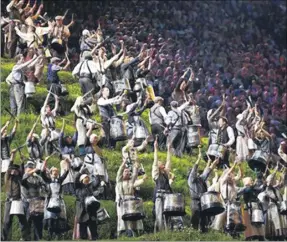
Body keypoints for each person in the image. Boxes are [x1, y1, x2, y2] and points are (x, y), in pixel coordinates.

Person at [116, 149, 147, 237]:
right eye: (126, 172)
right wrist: (123, 163)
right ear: (123, 173)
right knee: (122, 217)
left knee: (133, 216)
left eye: (128, 172)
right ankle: (123, 233)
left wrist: (136, 160)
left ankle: (135, 232)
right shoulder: (119, 181)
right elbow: (118, 173)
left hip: (131, 200)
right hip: (122, 200)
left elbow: (135, 172)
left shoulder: (131, 182)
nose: (128, 173)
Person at [1, 149, 30, 241]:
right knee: (6, 222)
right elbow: (9, 166)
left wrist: (22, 159)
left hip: (18, 201)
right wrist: (12, 155)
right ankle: (4, 239)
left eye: (15, 169)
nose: (14, 171)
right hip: (9, 201)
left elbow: (22, 169)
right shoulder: (8, 177)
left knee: (23, 221)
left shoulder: (19, 177)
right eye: (12, 169)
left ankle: (25, 238)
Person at [188, 152, 219, 233]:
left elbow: (207, 171)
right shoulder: (191, 179)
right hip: (195, 201)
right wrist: (198, 158)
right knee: (195, 216)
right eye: (196, 172)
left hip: (202, 201)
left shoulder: (200, 179)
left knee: (204, 219)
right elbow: (194, 168)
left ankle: (203, 234)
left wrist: (214, 163)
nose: (197, 172)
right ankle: (193, 232)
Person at [41, 157, 70, 240]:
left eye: (57, 171)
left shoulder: (59, 180)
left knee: (58, 219)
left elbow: (66, 172)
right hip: (50, 201)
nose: (56, 172)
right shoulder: (48, 180)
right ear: (51, 172)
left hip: (58, 201)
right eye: (54, 171)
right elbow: (42, 172)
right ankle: (50, 236)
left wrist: (67, 163)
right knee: (50, 219)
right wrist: (45, 161)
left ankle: (57, 236)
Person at [74, 166, 102, 240]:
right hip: (82, 210)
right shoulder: (78, 187)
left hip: (91, 211)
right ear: (81, 180)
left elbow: (97, 182)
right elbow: (76, 180)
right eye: (85, 178)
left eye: (88, 178)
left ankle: (94, 239)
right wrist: (80, 171)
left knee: (93, 229)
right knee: (83, 231)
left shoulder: (91, 186)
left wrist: (96, 173)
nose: (87, 179)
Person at [21, 163, 47, 241]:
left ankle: (38, 238)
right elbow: (24, 178)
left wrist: (43, 187)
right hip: (27, 201)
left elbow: (44, 185)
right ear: (25, 169)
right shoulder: (24, 176)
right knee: (27, 221)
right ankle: (26, 238)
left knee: (38, 222)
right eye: (29, 168)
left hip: (37, 201)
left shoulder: (38, 177)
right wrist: (34, 170)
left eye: (32, 167)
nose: (31, 169)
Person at [152, 137, 173, 232]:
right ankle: (160, 233)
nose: (163, 163)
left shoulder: (166, 173)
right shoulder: (156, 174)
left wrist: (169, 149)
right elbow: (155, 162)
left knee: (168, 215)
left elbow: (169, 162)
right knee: (159, 215)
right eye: (161, 163)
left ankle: (168, 232)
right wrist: (155, 149)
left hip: (167, 195)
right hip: (159, 196)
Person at [237, 176, 265, 241]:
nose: (252, 181)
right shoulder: (245, 188)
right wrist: (251, 186)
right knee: (248, 222)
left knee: (257, 221)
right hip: (248, 206)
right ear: (246, 182)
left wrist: (264, 183)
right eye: (250, 180)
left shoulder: (253, 188)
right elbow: (246, 190)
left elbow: (260, 189)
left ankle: (260, 236)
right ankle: (249, 237)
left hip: (255, 206)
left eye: (252, 180)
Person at [59, 119, 78, 195]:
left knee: (72, 175)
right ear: (65, 140)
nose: (70, 138)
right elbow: (60, 136)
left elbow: (76, 135)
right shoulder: (63, 147)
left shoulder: (72, 145)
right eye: (68, 138)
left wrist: (75, 127)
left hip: (72, 160)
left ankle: (72, 191)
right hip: (65, 160)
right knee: (66, 175)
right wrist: (63, 125)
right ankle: (66, 190)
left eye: (70, 138)